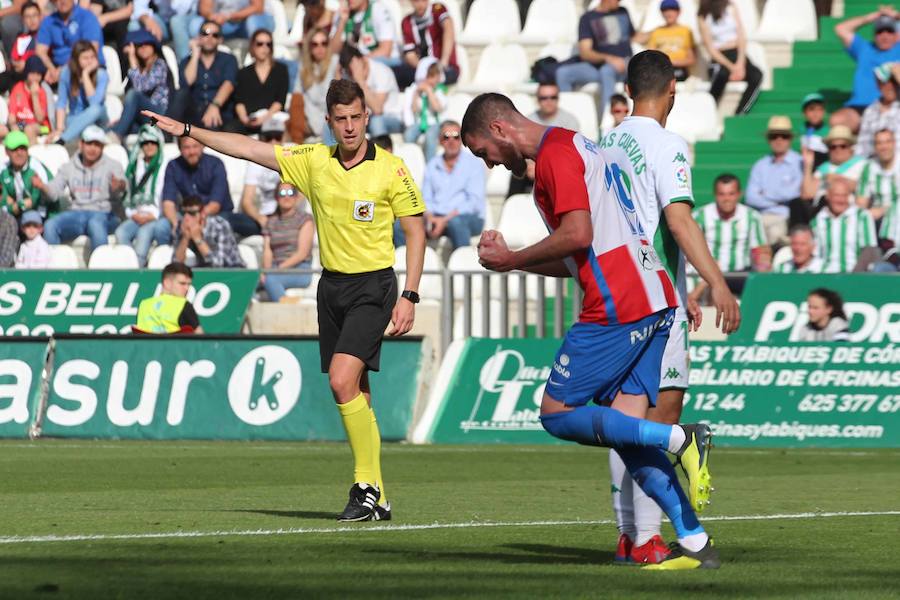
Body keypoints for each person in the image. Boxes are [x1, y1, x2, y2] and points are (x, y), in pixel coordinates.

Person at [463, 91, 729, 571]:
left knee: (555, 413)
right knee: (629, 436)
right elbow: (578, 254)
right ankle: (691, 538)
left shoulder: (553, 157)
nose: (489, 165)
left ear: (499, 129)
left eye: (483, 152)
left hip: (617, 302)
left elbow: (579, 236)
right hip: (654, 294)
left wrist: (513, 256)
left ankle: (681, 440)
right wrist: (515, 266)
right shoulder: (582, 145)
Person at [143, 76, 427, 522]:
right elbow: (247, 148)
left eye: (357, 117)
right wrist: (188, 131)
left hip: (374, 286)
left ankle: (364, 486)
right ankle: (380, 498)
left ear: (367, 117)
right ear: (328, 122)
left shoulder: (391, 169)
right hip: (331, 286)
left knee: (339, 380)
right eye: (341, 120)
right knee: (356, 392)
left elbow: (415, 231)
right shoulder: (313, 160)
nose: (350, 127)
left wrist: (409, 293)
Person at [598, 50, 740, 565]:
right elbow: (677, 221)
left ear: (630, 89)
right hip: (654, 302)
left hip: (610, 300)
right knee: (660, 418)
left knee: (623, 420)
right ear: (673, 88)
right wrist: (717, 284)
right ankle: (650, 538)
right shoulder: (667, 143)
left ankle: (629, 535)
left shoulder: (603, 142)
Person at [394, 120, 484, 250]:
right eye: (446, 137)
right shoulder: (432, 165)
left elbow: (473, 203)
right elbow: (426, 198)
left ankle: (463, 269)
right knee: (400, 224)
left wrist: (445, 219)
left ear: (462, 140)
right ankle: (407, 267)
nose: (451, 141)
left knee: (456, 223)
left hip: (466, 218)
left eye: (456, 136)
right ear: (440, 141)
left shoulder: (474, 164)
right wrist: (430, 216)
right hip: (435, 217)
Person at [41, 125, 127, 250]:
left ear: (103, 147)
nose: (93, 148)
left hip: (105, 214)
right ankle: (54, 267)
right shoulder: (68, 167)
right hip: (77, 213)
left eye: (97, 145)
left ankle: (100, 268)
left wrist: (119, 186)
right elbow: (54, 191)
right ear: (81, 144)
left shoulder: (113, 165)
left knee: (95, 224)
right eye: (89, 143)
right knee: (50, 225)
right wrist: (42, 186)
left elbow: (124, 187)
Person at [555, 0, 634, 123]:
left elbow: (634, 36)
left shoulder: (623, 11)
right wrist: (608, 58)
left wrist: (657, 32)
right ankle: (566, 122)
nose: (619, 1)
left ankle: (606, 124)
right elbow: (585, 52)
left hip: (625, 63)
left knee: (606, 71)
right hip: (599, 65)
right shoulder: (587, 18)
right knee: (563, 73)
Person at [693, 174, 771, 278]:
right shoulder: (700, 216)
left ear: (739, 194)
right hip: (707, 274)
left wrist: (763, 263)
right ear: (715, 195)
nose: (726, 199)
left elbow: (760, 249)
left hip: (740, 275)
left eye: (731, 194)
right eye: (722, 194)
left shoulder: (752, 217)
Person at [116, 125, 170, 266]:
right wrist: (132, 214)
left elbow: (168, 197)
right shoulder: (133, 167)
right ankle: (132, 265)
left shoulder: (165, 167)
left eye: (153, 143)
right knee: (121, 232)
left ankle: (138, 271)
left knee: (143, 234)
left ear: (159, 144)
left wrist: (154, 215)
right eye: (145, 143)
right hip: (136, 215)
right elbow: (128, 197)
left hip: (156, 216)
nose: (149, 146)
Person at [169, 20, 239, 130]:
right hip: (194, 113)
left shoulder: (229, 59)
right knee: (181, 94)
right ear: (199, 37)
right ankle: (166, 135)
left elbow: (229, 84)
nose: (210, 38)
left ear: (220, 40)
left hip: (220, 112)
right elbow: (187, 83)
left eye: (215, 35)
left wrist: (215, 106)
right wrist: (195, 54)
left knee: (222, 124)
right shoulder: (187, 61)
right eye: (205, 33)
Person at [161, 136, 233, 241]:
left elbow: (215, 205)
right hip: (187, 215)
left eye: (195, 146)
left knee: (214, 224)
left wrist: (196, 219)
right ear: (179, 148)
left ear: (203, 146)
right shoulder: (173, 166)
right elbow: (168, 203)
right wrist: (175, 223)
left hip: (218, 214)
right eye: (186, 147)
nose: (191, 152)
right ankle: (169, 255)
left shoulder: (216, 164)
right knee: (161, 227)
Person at [746, 115, 804, 245]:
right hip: (760, 217)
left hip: (784, 217)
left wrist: (765, 194)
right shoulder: (760, 165)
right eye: (774, 136)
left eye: (784, 136)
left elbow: (796, 193)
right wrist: (780, 200)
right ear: (768, 139)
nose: (779, 140)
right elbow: (750, 197)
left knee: (774, 234)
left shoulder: (799, 162)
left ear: (790, 139)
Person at [697, 0, 762, 115]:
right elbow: (711, 49)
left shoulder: (731, 7)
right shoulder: (703, 15)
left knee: (757, 75)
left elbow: (741, 36)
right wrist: (732, 68)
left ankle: (740, 112)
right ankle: (707, 112)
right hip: (719, 58)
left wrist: (740, 64)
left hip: (737, 55)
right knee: (721, 75)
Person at [110, 29, 172, 142]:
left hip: (158, 115)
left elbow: (141, 88)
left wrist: (132, 59)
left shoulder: (160, 64)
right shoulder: (140, 69)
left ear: (154, 47)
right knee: (125, 126)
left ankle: (116, 136)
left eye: (147, 44)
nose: (143, 47)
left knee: (134, 94)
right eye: (139, 45)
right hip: (145, 117)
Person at [834, 7, 900, 112]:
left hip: (894, 107)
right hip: (861, 106)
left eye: (889, 31)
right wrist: (872, 17)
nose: (884, 35)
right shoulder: (864, 48)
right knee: (838, 121)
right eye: (880, 31)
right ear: (874, 35)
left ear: (896, 35)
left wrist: (896, 16)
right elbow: (841, 29)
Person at [262, 182, 316, 301]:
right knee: (250, 282)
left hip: (300, 269)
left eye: (290, 193)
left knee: (270, 280)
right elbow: (267, 251)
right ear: (276, 197)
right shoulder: (270, 221)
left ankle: (285, 311)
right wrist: (266, 271)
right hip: (275, 268)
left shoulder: (305, 219)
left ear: (296, 197)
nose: (286, 197)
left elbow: (302, 253)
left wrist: (276, 270)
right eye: (282, 193)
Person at [811, 177, 878, 273]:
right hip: (825, 275)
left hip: (854, 274)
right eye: (837, 195)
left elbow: (869, 250)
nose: (841, 200)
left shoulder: (862, 216)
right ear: (827, 196)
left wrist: (854, 276)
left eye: (844, 195)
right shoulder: (818, 220)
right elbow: (815, 253)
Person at [229, 29, 289, 134]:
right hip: (249, 120)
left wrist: (264, 118)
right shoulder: (243, 73)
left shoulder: (281, 70)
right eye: (260, 44)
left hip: (272, 118)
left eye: (268, 44)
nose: (264, 48)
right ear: (253, 46)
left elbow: (279, 101)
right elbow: (239, 102)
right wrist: (245, 120)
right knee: (230, 129)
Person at [232, 118, 284, 237]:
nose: (273, 142)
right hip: (262, 217)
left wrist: (285, 216)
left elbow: (301, 195)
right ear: (261, 138)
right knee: (226, 219)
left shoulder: (294, 158)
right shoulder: (255, 162)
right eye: (268, 137)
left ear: (284, 138)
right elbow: (247, 201)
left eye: (278, 137)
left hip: (286, 216)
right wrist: (261, 219)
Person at [339, 44, 403, 138]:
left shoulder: (382, 71)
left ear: (363, 59)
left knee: (376, 121)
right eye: (350, 72)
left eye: (355, 69)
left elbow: (377, 109)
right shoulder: (347, 76)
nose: (353, 75)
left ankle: (380, 152)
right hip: (362, 120)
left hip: (390, 118)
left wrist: (360, 80)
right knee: (332, 125)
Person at [35, 0, 105, 85]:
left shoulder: (87, 17)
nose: (62, 1)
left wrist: (64, 70)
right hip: (57, 72)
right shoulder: (49, 21)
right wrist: (51, 69)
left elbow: (90, 51)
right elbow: (40, 51)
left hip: (86, 70)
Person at [53, 40, 109, 144]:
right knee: (79, 125)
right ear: (76, 60)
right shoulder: (66, 72)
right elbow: (61, 102)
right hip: (75, 118)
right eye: (85, 58)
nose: (90, 61)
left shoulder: (102, 74)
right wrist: (59, 129)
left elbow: (94, 103)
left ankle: (63, 140)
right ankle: (66, 136)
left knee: (96, 109)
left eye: (92, 57)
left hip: (98, 119)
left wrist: (85, 75)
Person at [801, 125, 866, 208]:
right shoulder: (824, 168)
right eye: (833, 147)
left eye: (843, 146)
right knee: (797, 203)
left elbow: (865, 188)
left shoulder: (862, 165)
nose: (837, 150)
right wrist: (808, 165)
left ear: (850, 147)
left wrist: (837, 179)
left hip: (849, 209)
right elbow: (807, 194)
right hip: (821, 209)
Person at [399, 0, 460, 86]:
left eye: (423, 0)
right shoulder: (407, 21)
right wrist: (424, 69)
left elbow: (448, 28)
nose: (420, 4)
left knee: (436, 78)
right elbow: (410, 55)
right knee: (397, 75)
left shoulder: (438, 9)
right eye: (416, 1)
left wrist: (444, 61)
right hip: (422, 70)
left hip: (446, 68)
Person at [173, 195, 245, 267]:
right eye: (183, 213)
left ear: (203, 214)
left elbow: (220, 264)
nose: (186, 218)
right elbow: (176, 264)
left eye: (192, 213)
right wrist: (185, 238)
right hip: (204, 269)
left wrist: (198, 239)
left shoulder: (219, 226)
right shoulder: (181, 226)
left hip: (234, 271)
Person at [634, 0, 695, 81]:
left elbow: (691, 59)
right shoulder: (656, 31)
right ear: (661, 13)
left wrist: (671, 62)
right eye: (665, 10)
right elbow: (650, 56)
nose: (668, 13)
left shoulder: (686, 31)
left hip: (679, 70)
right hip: (659, 70)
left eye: (672, 9)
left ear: (679, 11)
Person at [135, 262, 204, 333]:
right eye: (182, 283)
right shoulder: (184, 304)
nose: (187, 288)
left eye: (188, 284)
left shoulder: (143, 304)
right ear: (167, 283)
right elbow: (200, 338)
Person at [0, 131, 53, 219]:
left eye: (23, 148)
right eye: (14, 149)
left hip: (43, 215)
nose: (19, 153)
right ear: (7, 151)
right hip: (14, 216)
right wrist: (17, 205)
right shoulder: (3, 170)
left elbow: (44, 200)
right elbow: (3, 200)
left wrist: (18, 205)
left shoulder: (37, 169)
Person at [299, 26, 340, 140]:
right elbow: (297, 98)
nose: (320, 48)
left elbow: (340, 97)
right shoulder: (303, 68)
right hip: (309, 127)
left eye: (324, 43)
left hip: (331, 124)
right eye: (315, 44)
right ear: (309, 47)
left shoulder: (335, 63)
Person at [401, 57, 446, 160]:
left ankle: (429, 164)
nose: (432, 80)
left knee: (430, 136)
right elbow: (414, 109)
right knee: (409, 134)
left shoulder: (439, 91)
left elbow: (437, 108)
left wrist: (429, 92)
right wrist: (416, 94)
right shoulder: (416, 91)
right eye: (430, 76)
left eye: (435, 76)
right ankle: (410, 160)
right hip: (421, 123)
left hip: (436, 123)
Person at [333, 0, 399, 66]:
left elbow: (385, 51)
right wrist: (342, 21)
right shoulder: (342, 13)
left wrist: (358, 63)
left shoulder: (378, 9)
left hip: (387, 63)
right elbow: (334, 50)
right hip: (358, 64)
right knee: (334, 63)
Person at [6, 56, 54, 144]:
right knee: (9, 130)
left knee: (29, 129)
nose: (35, 77)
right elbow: (12, 114)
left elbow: (40, 119)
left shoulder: (42, 91)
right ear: (27, 73)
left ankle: (32, 155)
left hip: (42, 127)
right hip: (21, 124)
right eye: (32, 73)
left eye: (38, 74)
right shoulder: (18, 88)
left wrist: (34, 96)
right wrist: (13, 125)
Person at [129, 0, 197, 62]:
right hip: (164, 21)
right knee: (135, 25)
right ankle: (139, 71)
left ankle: (184, 66)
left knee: (176, 22)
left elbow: (182, 10)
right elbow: (138, 7)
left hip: (190, 18)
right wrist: (147, 20)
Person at [856, 63, 900, 158]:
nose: (889, 87)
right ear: (877, 84)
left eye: (893, 82)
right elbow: (862, 149)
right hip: (876, 165)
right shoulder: (870, 111)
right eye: (884, 82)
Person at [857, 128, 900, 221]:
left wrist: (885, 210)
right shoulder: (868, 168)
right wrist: (867, 213)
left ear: (894, 143)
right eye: (879, 143)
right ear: (874, 147)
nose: (884, 147)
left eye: (887, 142)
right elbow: (861, 203)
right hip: (879, 220)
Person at [189, 0, 274, 41]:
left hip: (255, 19)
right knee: (196, 26)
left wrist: (230, 16)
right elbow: (204, 8)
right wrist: (212, 16)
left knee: (252, 22)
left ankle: (260, 63)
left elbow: (258, 8)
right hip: (225, 23)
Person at [8, 1, 43, 78]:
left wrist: (26, 63)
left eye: (34, 15)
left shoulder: (46, 35)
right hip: (20, 73)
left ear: (40, 16)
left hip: (38, 73)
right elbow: (13, 59)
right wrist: (18, 64)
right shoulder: (21, 38)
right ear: (23, 20)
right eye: (27, 16)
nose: (32, 20)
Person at [800, 92, 829, 171]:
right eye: (811, 109)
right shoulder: (801, 130)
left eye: (819, 109)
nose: (816, 114)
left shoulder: (829, 132)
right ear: (804, 113)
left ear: (823, 112)